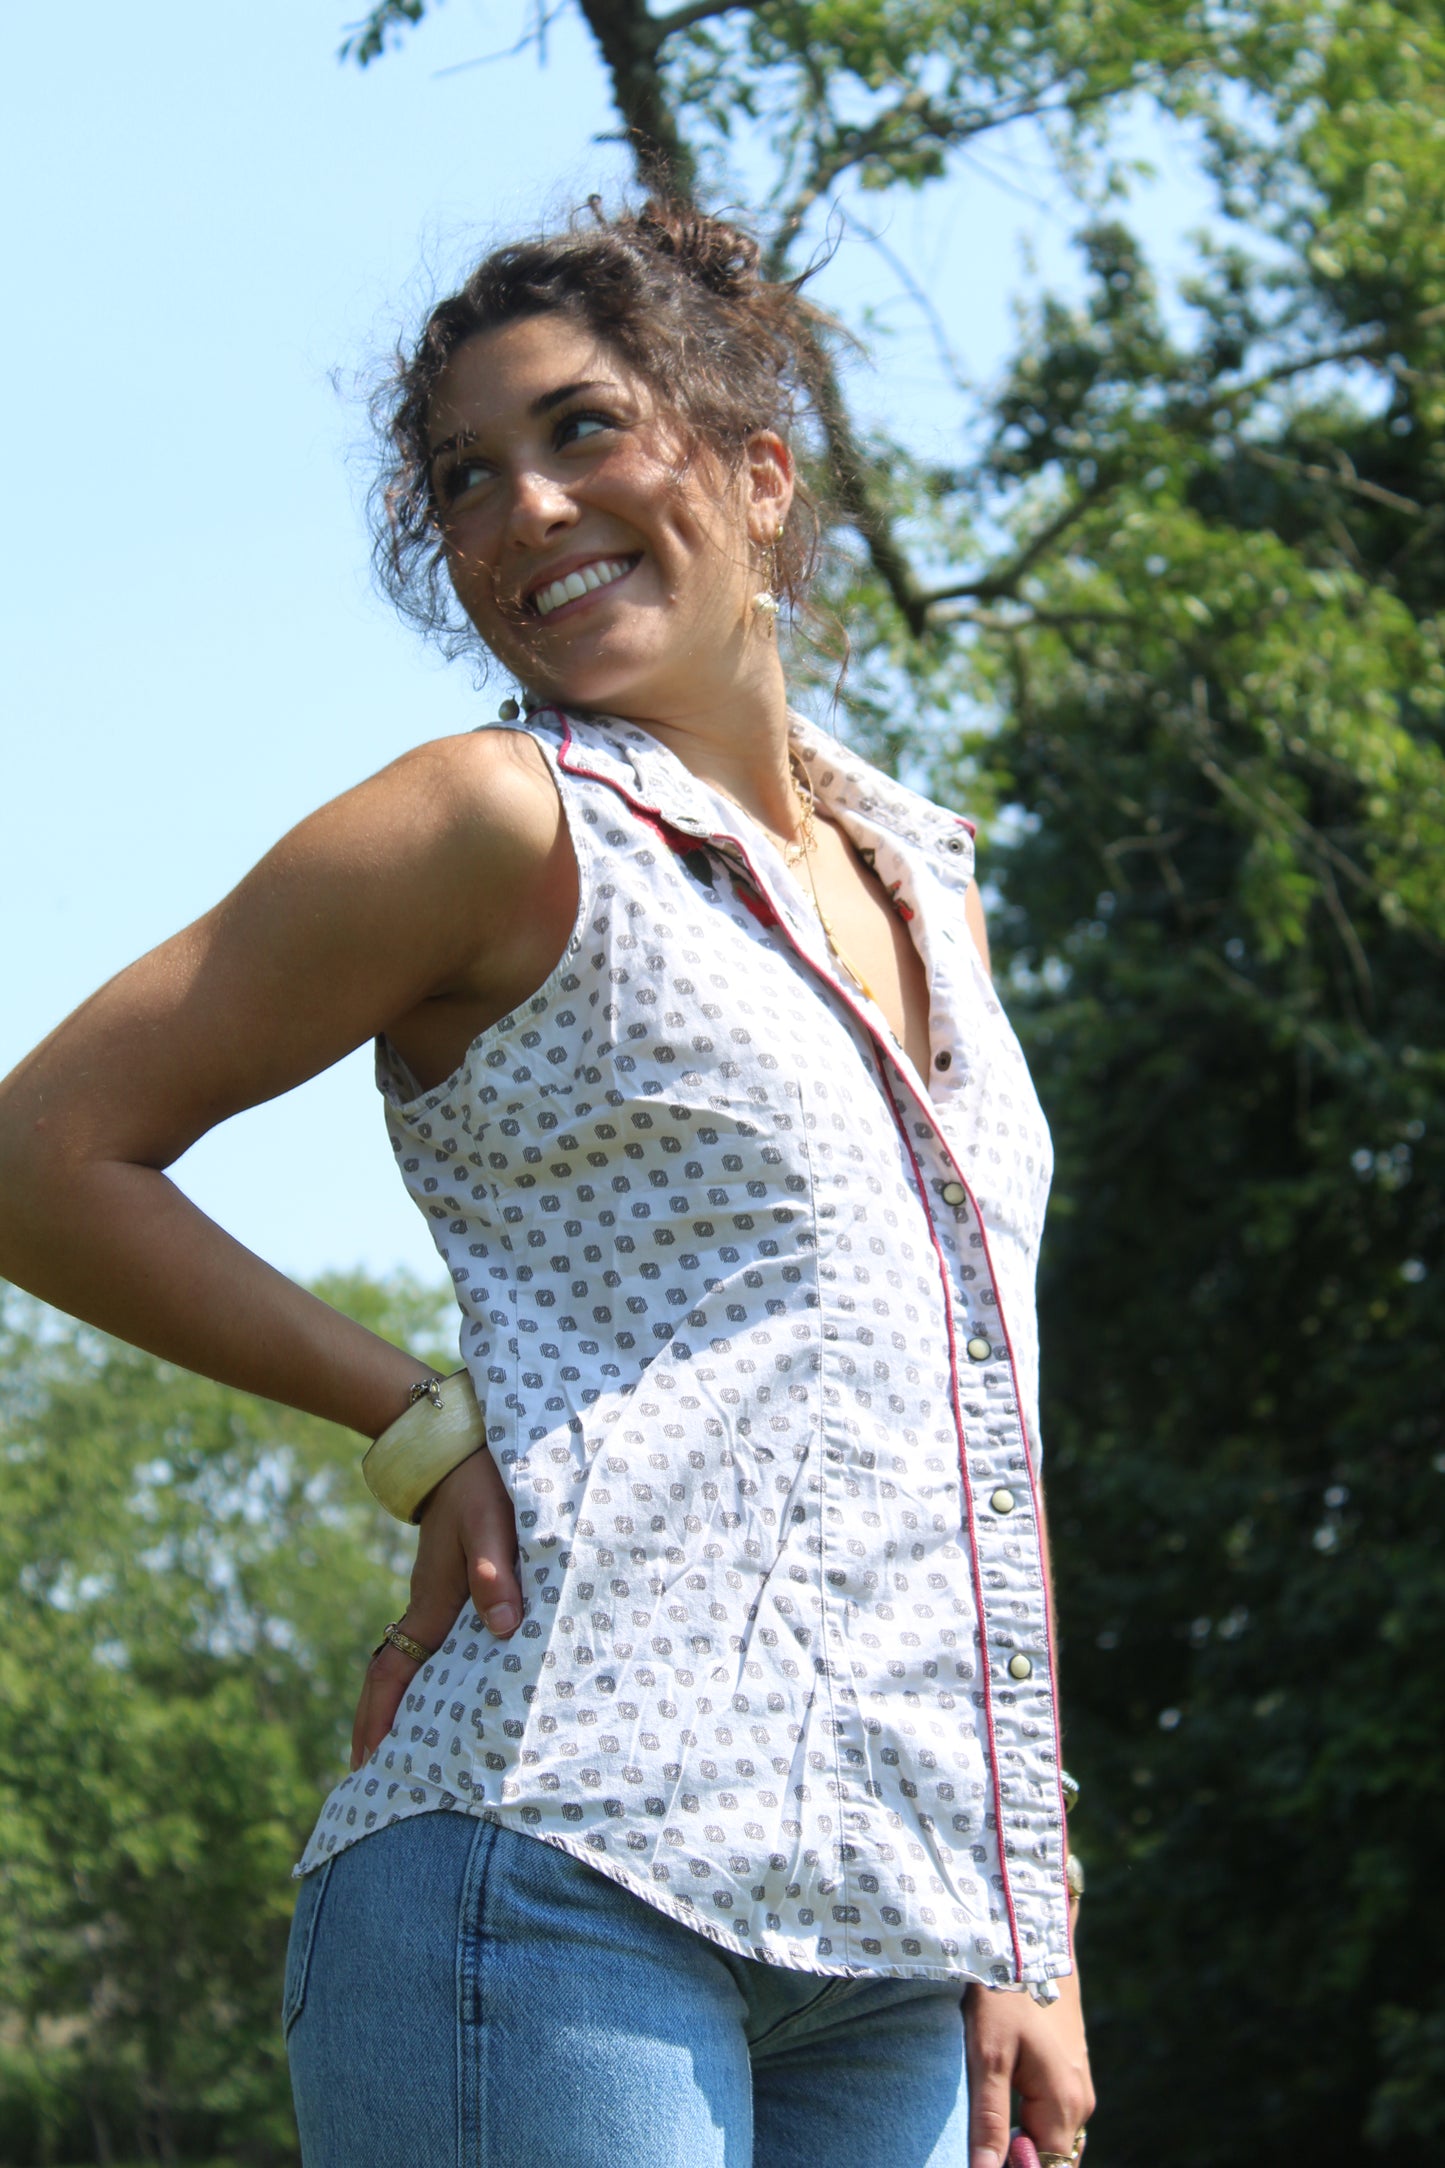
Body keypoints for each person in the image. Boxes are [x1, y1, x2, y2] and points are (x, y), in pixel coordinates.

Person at [0, 199, 1095, 2168]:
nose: (523, 507)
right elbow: (39, 1159)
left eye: (583, 429)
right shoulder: (495, 821)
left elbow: (975, 1428)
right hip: (557, 1864)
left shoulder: (933, 882)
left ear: (757, 474)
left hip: (901, 1946)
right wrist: (416, 1427)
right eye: (464, 479)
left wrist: (1032, 1914)